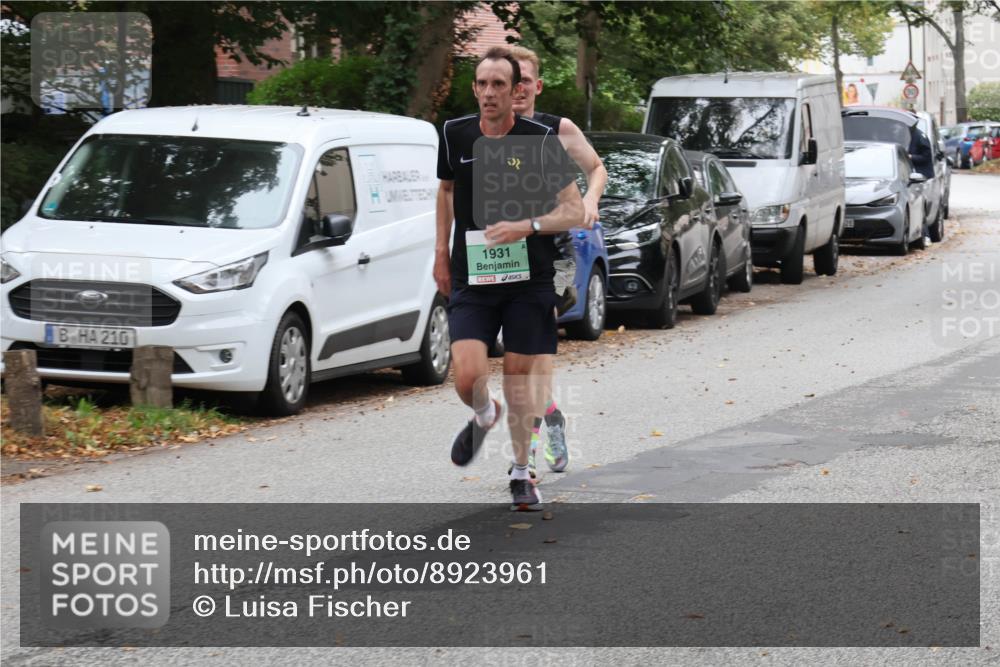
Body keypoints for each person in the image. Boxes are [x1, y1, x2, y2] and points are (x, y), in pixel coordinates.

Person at [436, 47, 584, 510]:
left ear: (517, 89)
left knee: (520, 381)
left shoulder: (540, 140)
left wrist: (527, 226)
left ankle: (522, 471)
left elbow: (574, 211)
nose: (489, 93)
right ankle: (484, 413)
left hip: (528, 278)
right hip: (472, 278)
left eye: (499, 84)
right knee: (466, 376)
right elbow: (445, 191)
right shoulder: (455, 134)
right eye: (482, 84)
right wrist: (440, 251)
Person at [507, 45, 608, 478]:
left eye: (524, 80)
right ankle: (549, 413)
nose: (517, 88)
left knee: (538, 339)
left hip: (556, 253)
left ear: (536, 86)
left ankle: (526, 453)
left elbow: (597, 167)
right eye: (510, 81)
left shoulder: (557, 129)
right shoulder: (485, 130)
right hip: (507, 252)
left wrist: (590, 199)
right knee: (519, 357)